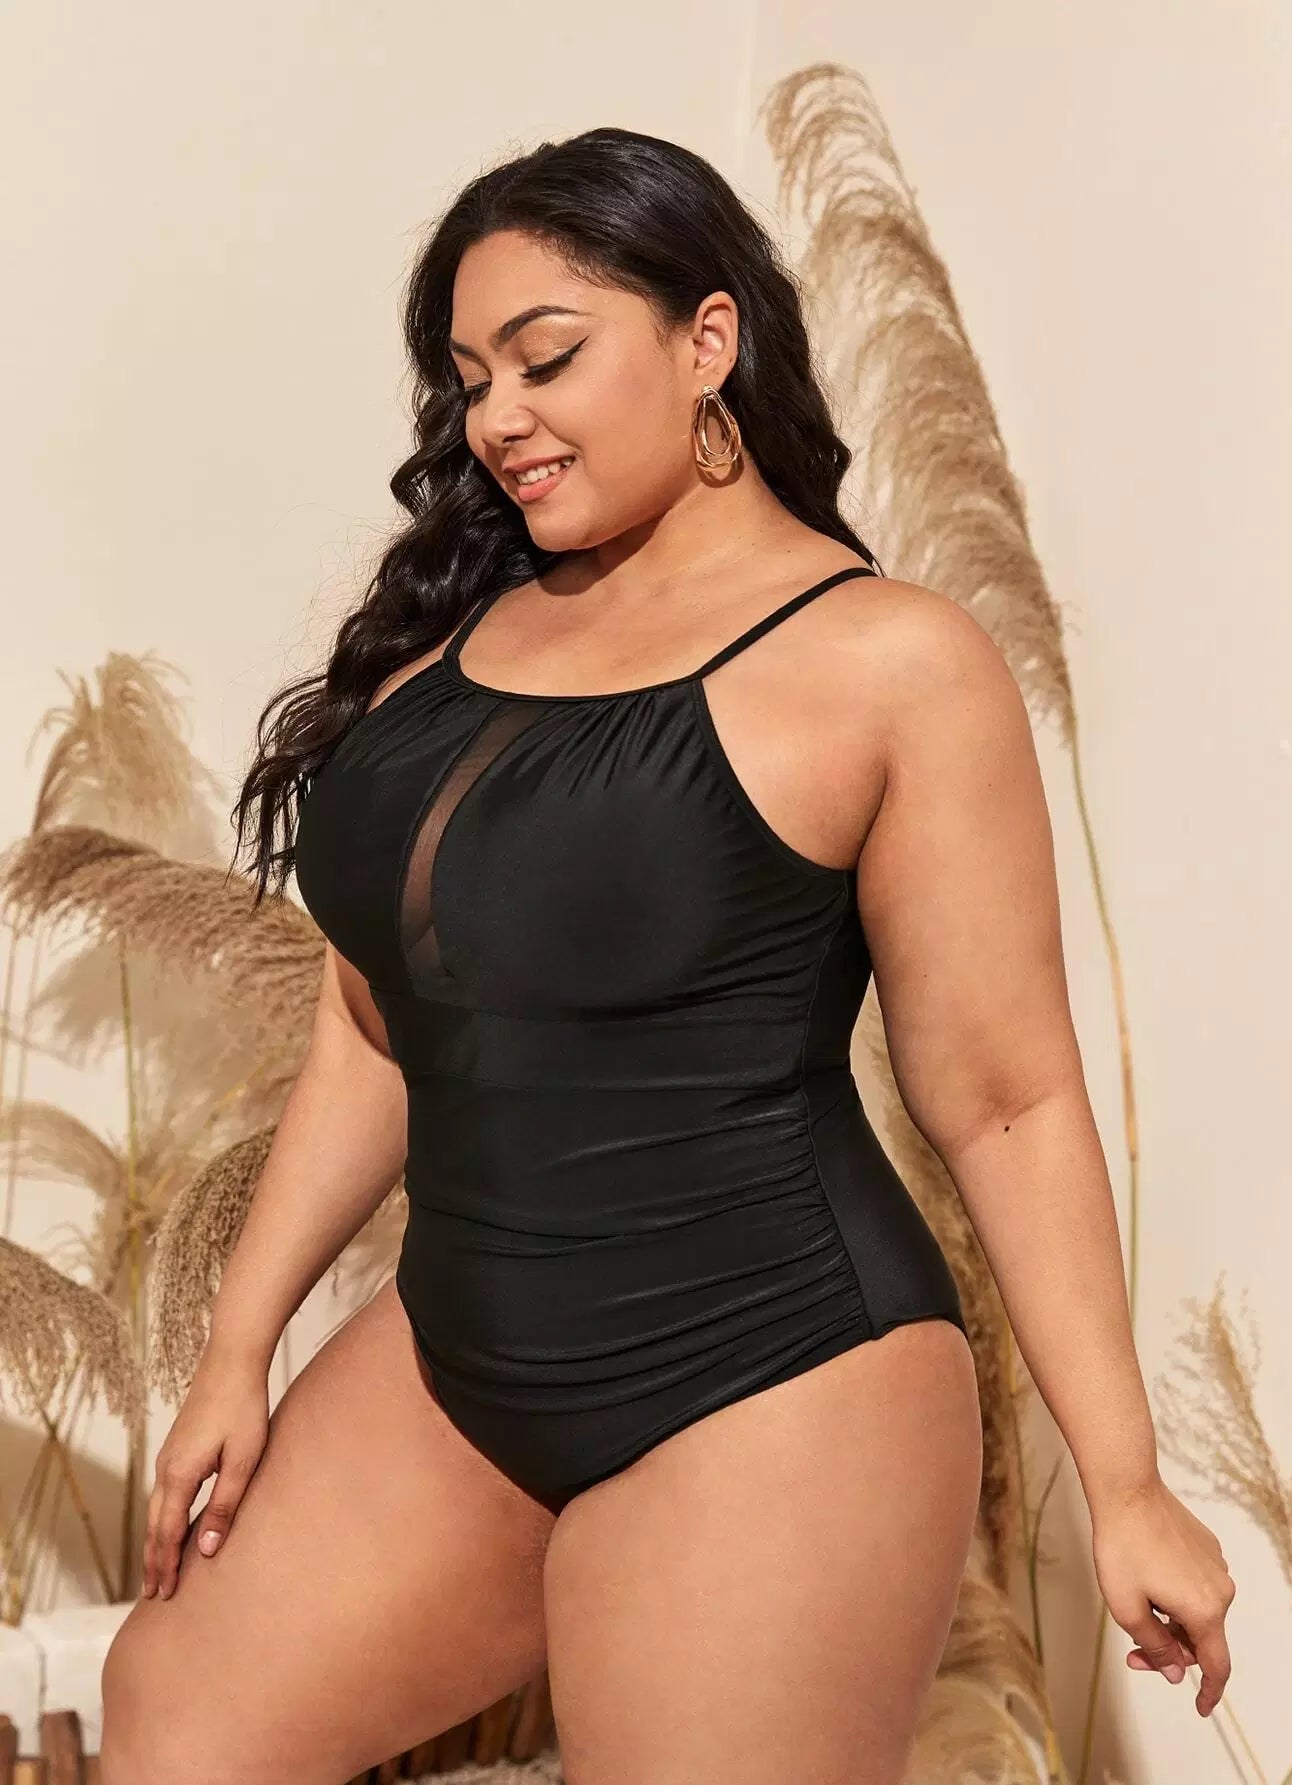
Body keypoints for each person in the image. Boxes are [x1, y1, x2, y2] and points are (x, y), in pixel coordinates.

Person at [99, 126, 1234, 1784]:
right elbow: (379, 1022)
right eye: (472, 379)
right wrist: (235, 1344)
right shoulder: (450, 651)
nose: (499, 416)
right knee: (175, 1717)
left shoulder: (891, 664)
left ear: (708, 341)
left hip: (774, 1376)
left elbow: (1003, 1097)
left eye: (547, 357)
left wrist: (1125, 1481)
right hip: (461, 1357)